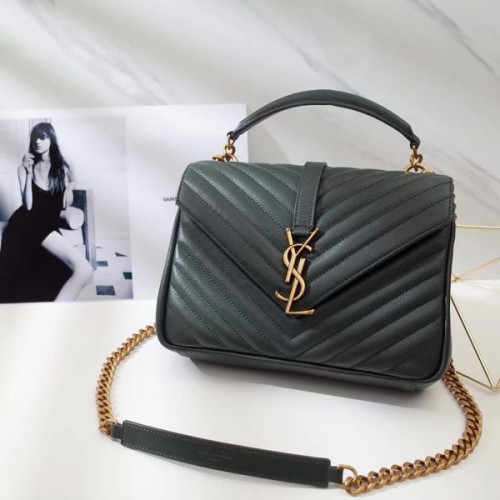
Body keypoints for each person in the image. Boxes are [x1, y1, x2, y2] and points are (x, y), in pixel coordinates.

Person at [0, 122, 94, 303]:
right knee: (84, 271)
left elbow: (73, 180)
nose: (37, 141)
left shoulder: (63, 165)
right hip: (26, 223)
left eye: (42, 137)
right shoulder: (23, 168)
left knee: (77, 273)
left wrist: (69, 188)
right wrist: (28, 173)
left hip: (47, 225)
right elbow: (28, 206)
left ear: (51, 139)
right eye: (35, 137)